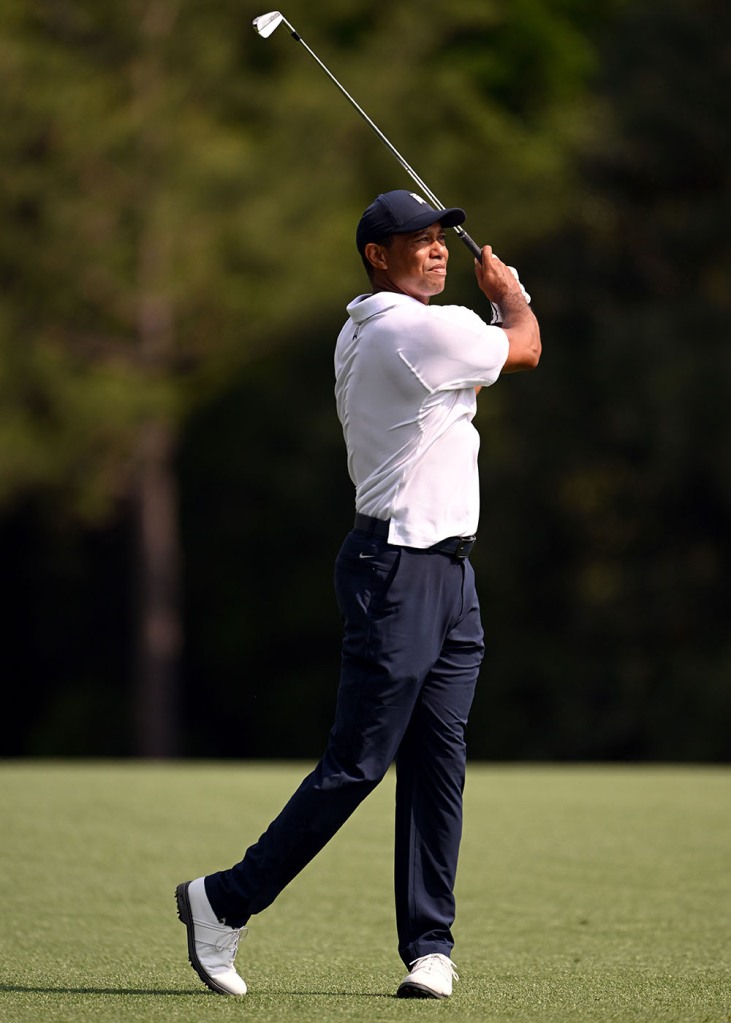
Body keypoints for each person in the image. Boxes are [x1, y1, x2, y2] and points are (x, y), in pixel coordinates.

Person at [176, 189, 541, 999]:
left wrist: (486, 317)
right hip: (399, 571)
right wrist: (509, 294)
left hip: (447, 572)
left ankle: (429, 946)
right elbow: (524, 349)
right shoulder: (406, 328)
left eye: (442, 236)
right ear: (377, 255)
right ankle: (222, 899)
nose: (438, 248)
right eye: (417, 239)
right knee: (357, 762)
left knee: (437, 761)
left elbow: (471, 382)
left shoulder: (393, 333)